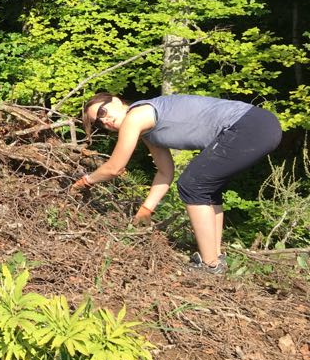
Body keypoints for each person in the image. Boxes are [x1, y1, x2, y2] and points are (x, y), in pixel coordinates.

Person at [72, 92, 282, 274]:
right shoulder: (148, 132)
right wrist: (146, 209)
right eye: (98, 123)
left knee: (192, 184)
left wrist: (83, 182)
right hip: (260, 125)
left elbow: (114, 168)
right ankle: (216, 257)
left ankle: (210, 266)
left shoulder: (136, 116)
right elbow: (165, 172)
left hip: (248, 125)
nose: (105, 121)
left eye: (102, 112)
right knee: (207, 189)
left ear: (116, 100)